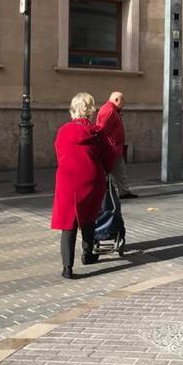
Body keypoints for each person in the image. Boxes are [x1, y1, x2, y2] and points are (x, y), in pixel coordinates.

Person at [51, 93, 117, 279]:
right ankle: (88, 254)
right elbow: (109, 156)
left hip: (67, 180)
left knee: (68, 223)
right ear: (90, 110)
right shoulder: (97, 132)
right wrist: (106, 170)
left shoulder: (63, 131)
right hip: (92, 179)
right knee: (88, 216)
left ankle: (67, 267)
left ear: (73, 110)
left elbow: (58, 152)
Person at [96, 91, 137, 199]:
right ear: (117, 100)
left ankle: (124, 191)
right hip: (111, 148)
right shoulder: (109, 111)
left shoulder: (113, 110)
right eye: (123, 101)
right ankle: (110, 192)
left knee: (119, 170)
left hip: (115, 148)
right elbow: (101, 130)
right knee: (109, 171)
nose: (123, 104)